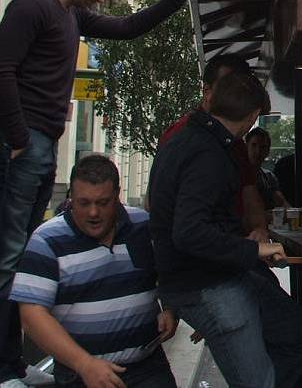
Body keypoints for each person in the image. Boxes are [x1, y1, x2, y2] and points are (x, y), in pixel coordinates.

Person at [0, 0, 187, 386]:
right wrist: (19, 139)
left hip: (41, 145)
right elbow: (3, 68)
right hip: (27, 146)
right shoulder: (32, 7)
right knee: (10, 260)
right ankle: (5, 367)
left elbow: (126, 28)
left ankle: (12, 364)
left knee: (21, 257)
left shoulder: (71, 15)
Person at [147, 70, 302, 388]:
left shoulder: (190, 138)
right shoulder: (207, 154)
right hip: (207, 283)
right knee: (259, 381)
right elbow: (188, 232)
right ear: (253, 116)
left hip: (214, 275)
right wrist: (254, 248)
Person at [9, 155, 178, 388]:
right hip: (79, 376)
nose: (93, 213)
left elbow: (171, 271)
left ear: (117, 197)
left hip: (148, 368)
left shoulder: (143, 226)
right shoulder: (47, 240)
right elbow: (32, 316)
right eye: (83, 203)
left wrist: (171, 306)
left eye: (103, 202)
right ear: (71, 197)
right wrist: (84, 364)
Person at [158, 53, 269, 241]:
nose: (236, 95)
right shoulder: (193, 141)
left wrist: (259, 230)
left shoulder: (233, 143)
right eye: (229, 87)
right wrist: (246, 250)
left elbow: (248, 193)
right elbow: (188, 229)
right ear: (207, 93)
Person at [246, 127, 291, 213]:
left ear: (267, 151)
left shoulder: (268, 177)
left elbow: (282, 203)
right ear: (246, 147)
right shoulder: (235, 175)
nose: (258, 151)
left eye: (262, 147)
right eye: (254, 145)